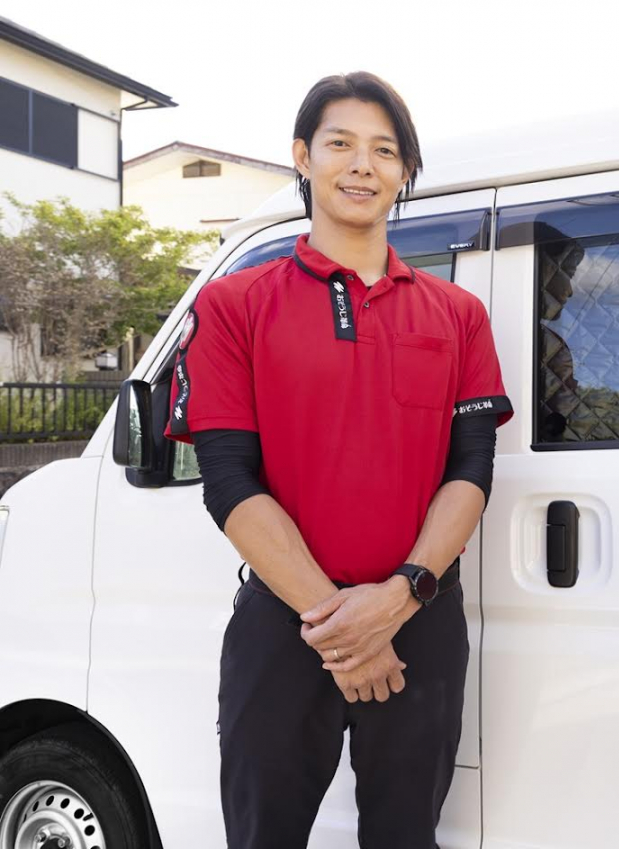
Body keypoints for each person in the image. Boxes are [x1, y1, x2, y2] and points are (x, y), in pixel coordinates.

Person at [163, 71, 512, 848]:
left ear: (405, 170)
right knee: (264, 835)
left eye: (385, 150)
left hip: (419, 618)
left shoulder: (457, 315)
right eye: (341, 144)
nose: (363, 165)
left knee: (406, 836)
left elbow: (471, 470)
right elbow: (228, 480)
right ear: (303, 156)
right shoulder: (234, 303)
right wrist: (340, 627)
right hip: (283, 622)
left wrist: (399, 598)